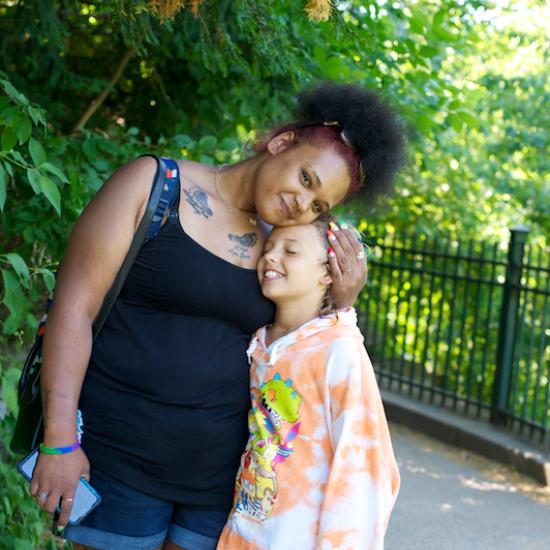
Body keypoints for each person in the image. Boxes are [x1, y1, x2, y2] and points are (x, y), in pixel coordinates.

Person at [29, 82, 405, 550]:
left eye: (318, 206)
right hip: (120, 463)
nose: (301, 204)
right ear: (281, 143)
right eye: (306, 179)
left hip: (223, 489)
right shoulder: (155, 185)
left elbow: (294, 352)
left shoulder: (283, 252)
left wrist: (341, 301)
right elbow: (73, 309)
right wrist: (60, 439)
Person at [216, 217, 400, 550]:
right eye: (269, 249)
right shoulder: (259, 343)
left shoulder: (338, 350)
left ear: (329, 272)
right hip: (243, 531)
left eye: (291, 251)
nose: (271, 257)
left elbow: (366, 469)